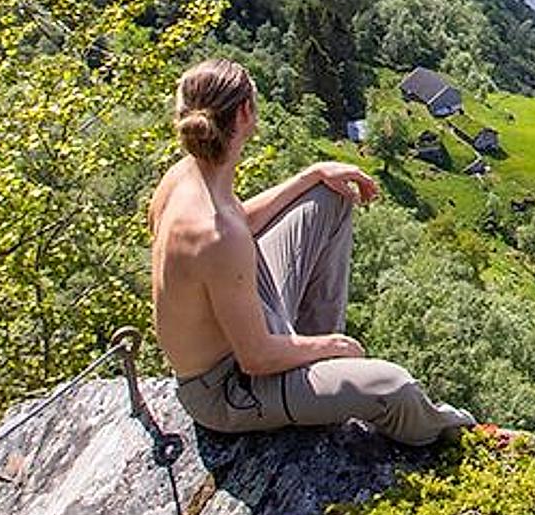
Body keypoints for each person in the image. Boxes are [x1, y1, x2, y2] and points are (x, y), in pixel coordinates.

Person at [148, 57, 477, 445]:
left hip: (247, 327)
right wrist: (337, 346)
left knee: (328, 197)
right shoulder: (215, 234)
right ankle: (457, 434)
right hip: (230, 387)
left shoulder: (188, 175)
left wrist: (313, 174)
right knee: (394, 388)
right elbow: (256, 358)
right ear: (244, 113)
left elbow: (240, 224)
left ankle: (316, 366)